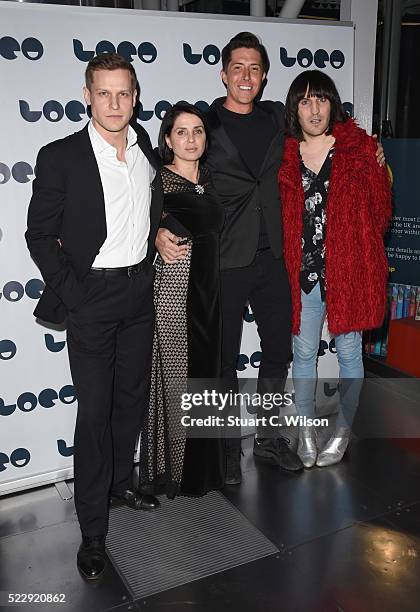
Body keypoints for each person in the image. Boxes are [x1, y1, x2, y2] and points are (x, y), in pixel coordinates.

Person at [156, 32, 385, 486]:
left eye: (254, 68)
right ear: (223, 74)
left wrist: (372, 150)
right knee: (223, 361)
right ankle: (224, 451)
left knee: (279, 353)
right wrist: (159, 225)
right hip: (223, 258)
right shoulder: (202, 123)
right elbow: (168, 170)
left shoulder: (277, 121)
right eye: (236, 67)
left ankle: (268, 434)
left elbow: (339, 152)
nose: (245, 76)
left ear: (263, 77)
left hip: (279, 260)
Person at [25, 53, 163, 581]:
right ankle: (93, 531)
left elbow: (148, 211)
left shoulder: (145, 146)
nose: (114, 104)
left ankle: (117, 485)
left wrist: (161, 238)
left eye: (123, 93)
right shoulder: (61, 156)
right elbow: (40, 236)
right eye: (103, 93)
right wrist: (76, 294)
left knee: (130, 403)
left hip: (139, 291)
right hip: (93, 299)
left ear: (135, 96)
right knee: (95, 413)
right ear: (87, 94)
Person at [279, 70, 391, 468]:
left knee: (349, 353)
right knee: (304, 352)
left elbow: (381, 213)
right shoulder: (284, 155)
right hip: (304, 273)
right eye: (305, 101)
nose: (314, 109)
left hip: (348, 271)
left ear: (333, 104)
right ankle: (306, 430)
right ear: (295, 107)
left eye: (321, 99)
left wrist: (354, 250)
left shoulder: (359, 149)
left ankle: (342, 432)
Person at [139, 102, 225, 498]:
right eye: (181, 132)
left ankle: (204, 470)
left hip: (208, 292)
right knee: (178, 378)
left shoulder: (208, 180)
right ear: (168, 138)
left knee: (205, 376)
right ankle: (176, 471)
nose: (190, 139)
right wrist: (155, 231)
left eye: (198, 131)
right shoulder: (159, 181)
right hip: (175, 292)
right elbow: (135, 221)